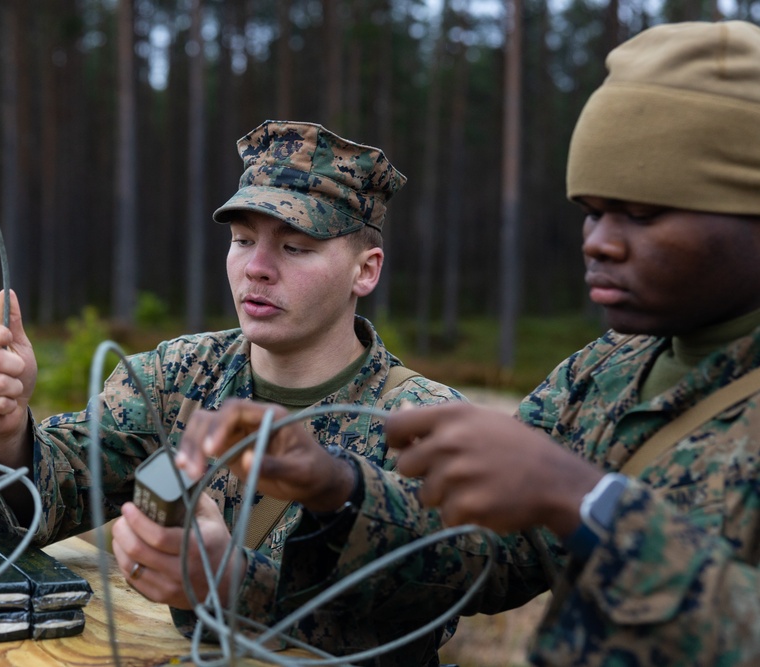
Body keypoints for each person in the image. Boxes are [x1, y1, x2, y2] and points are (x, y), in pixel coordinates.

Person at [178, 20, 760, 667]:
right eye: (593, 211)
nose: (599, 242)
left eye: (643, 215)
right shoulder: (606, 371)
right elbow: (491, 552)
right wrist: (336, 486)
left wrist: (586, 499)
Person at [0, 120, 465, 662]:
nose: (257, 269)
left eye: (295, 247)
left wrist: (234, 585)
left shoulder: (422, 425)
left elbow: (417, 623)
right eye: (242, 241)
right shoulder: (179, 376)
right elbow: (51, 500)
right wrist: (8, 431)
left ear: (365, 271)